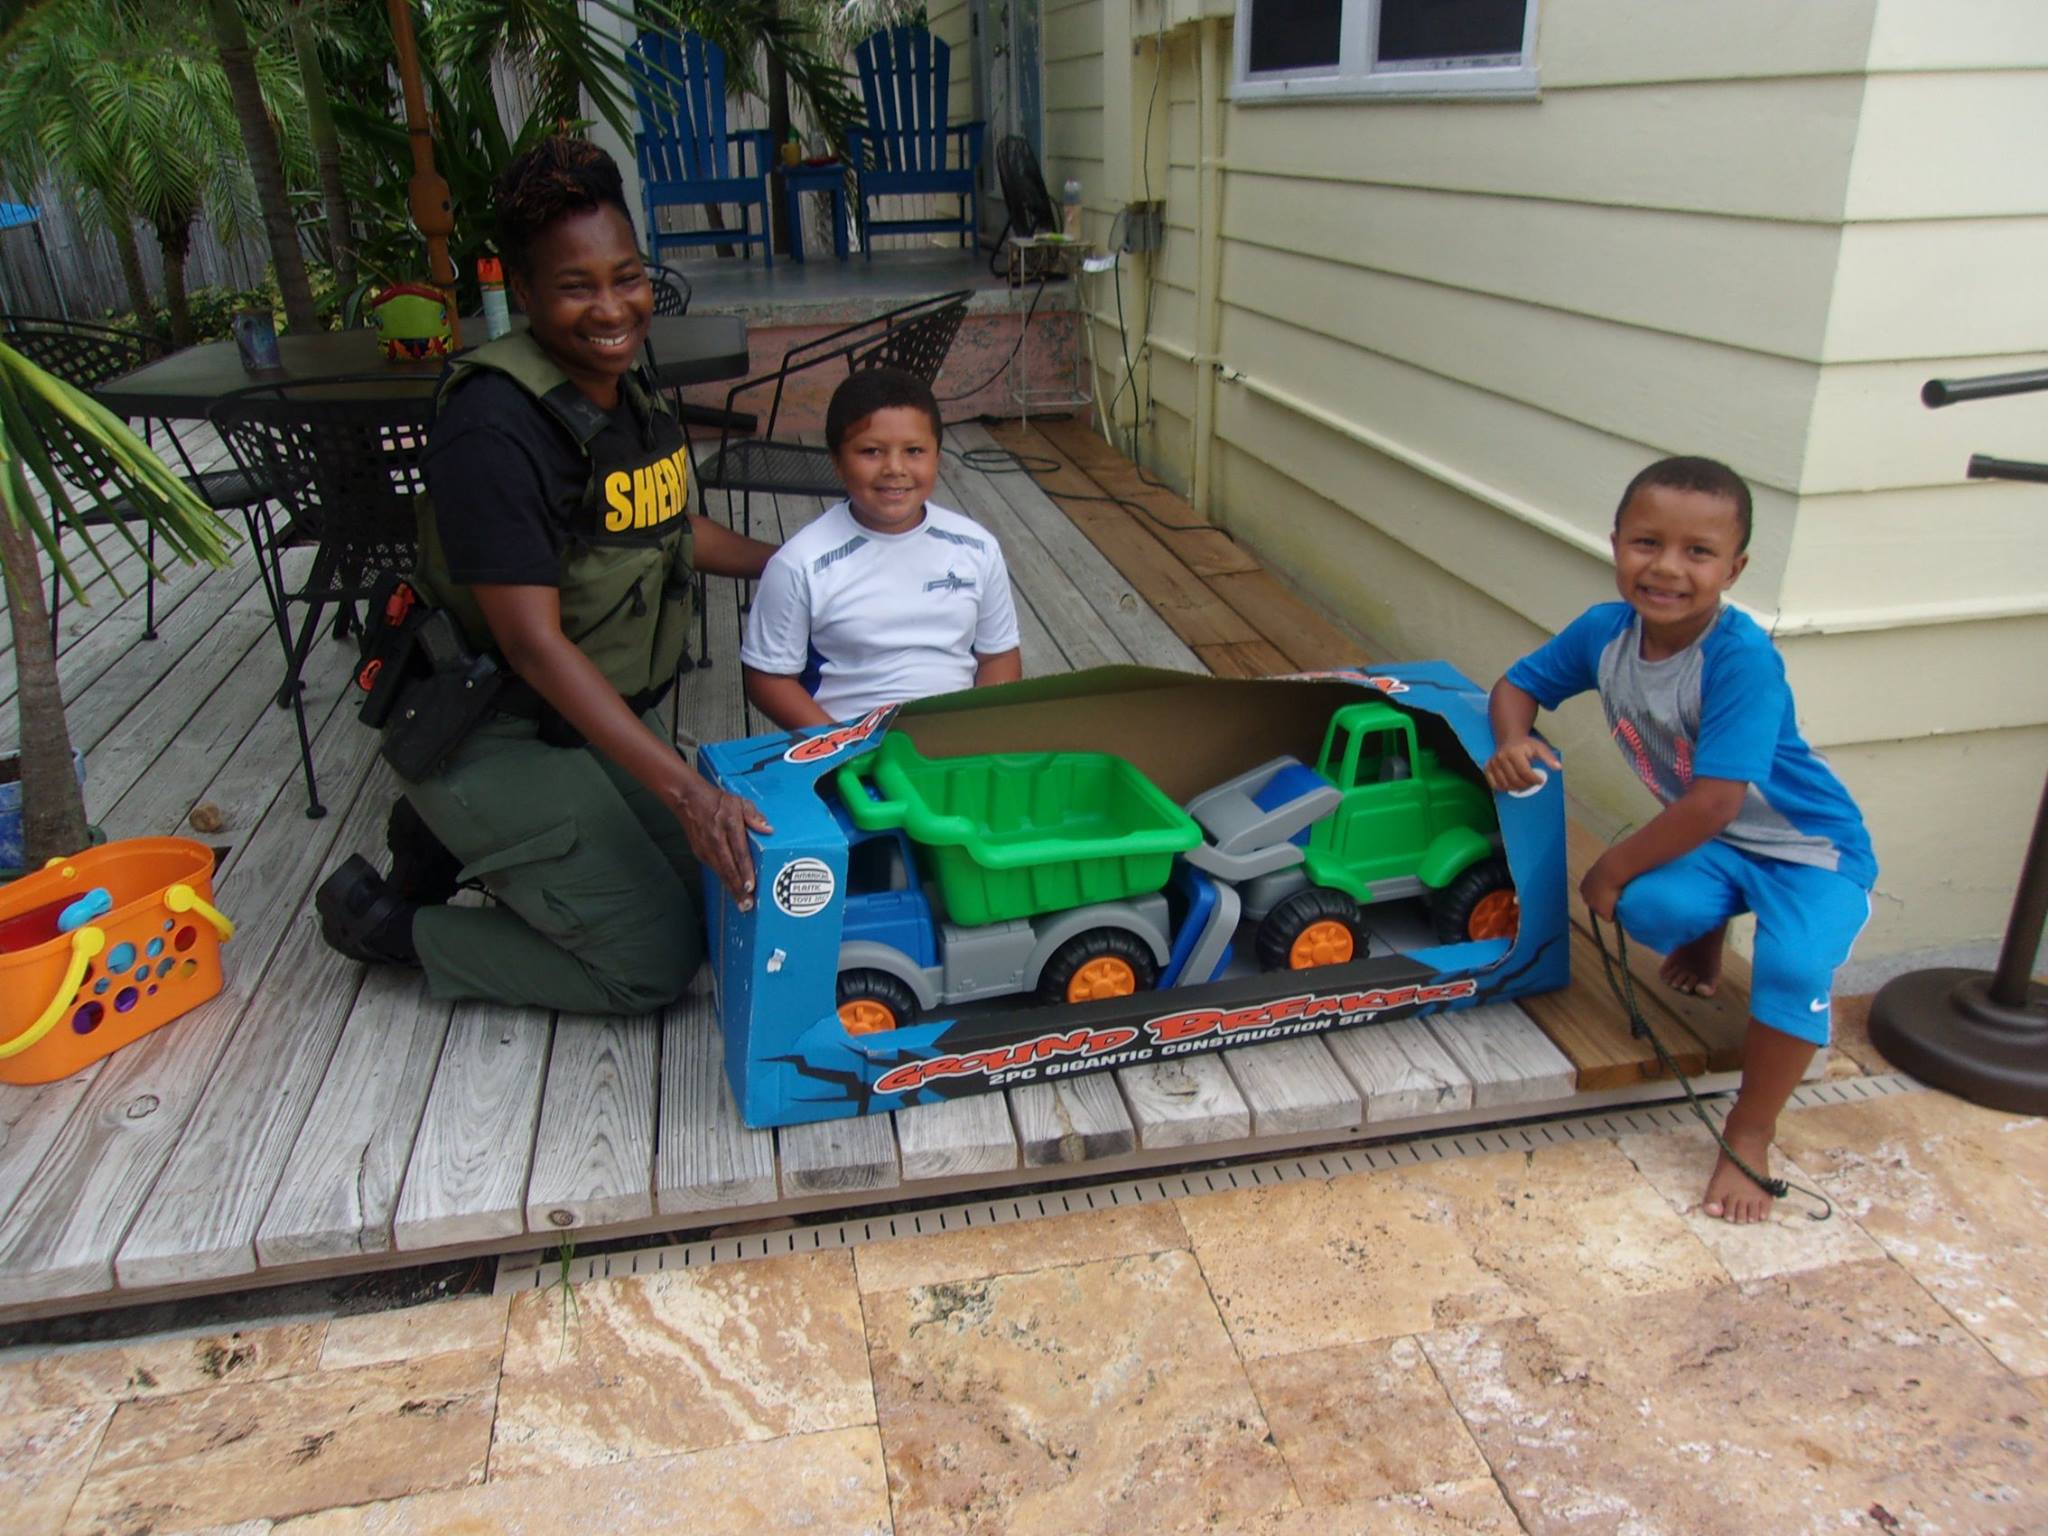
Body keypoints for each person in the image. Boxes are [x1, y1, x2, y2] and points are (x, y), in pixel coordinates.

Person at [315, 136, 779, 1014]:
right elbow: (530, 644)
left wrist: (804, 565)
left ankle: (465, 842)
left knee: (716, 894)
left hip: (575, 727)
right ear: (521, 294)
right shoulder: (493, 427)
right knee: (651, 962)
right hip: (490, 724)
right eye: (577, 287)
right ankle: (393, 925)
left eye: (628, 276)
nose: (613, 307)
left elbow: (669, 529)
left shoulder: (621, 386)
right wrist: (686, 791)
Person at [1483, 456, 1875, 1223]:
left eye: (1698, 552)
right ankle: (1707, 932)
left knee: (1792, 970)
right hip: (1724, 838)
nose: (1666, 568)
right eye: (1646, 543)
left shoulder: (1742, 660)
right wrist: (1513, 738)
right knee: (1649, 914)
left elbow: (1713, 804)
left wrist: (1609, 864)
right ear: (1616, 543)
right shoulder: (1606, 632)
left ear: (1735, 567)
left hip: (1808, 850)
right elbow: (1518, 685)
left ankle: (1750, 1134)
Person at [739, 367, 1022, 730]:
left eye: (914, 451)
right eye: (871, 451)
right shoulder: (801, 564)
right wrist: (843, 745)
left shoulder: (977, 548)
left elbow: (997, 654)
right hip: (849, 747)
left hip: (956, 741)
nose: (895, 468)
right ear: (837, 462)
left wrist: (983, 728)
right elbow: (769, 680)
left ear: (937, 456)